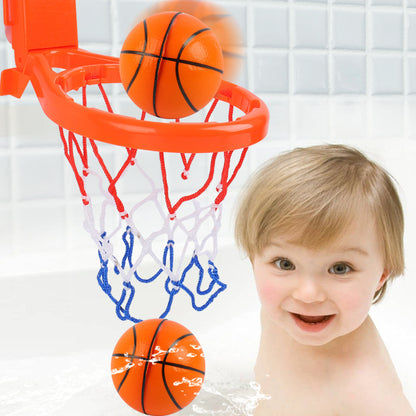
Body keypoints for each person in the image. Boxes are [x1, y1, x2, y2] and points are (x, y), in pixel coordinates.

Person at [234, 144, 415, 415]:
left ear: (382, 274)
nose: (307, 294)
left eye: (340, 268)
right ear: (253, 260)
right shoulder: (280, 314)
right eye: (285, 264)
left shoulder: (369, 393)